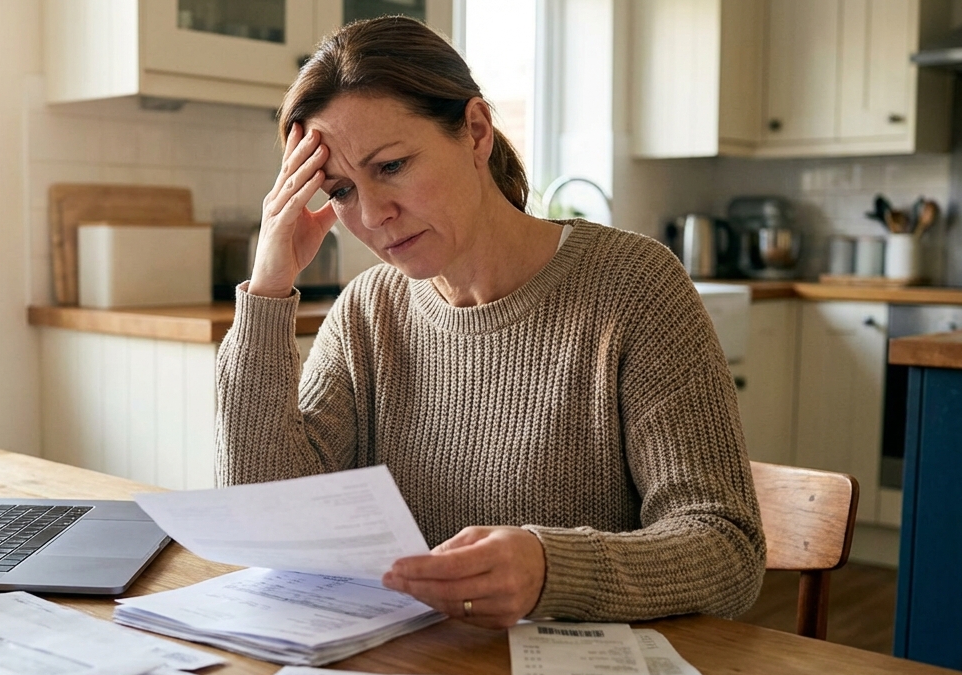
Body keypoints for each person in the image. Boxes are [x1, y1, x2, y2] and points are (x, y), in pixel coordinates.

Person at [216, 15, 765, 630]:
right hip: (406, 674)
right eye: (340, 190)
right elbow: (267, 513)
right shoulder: (368, 312)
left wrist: (552, 569)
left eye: (392, 166)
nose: (373, 214)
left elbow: (727, 549)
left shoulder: (633, 287)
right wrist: (267, 291)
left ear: (475, 132)